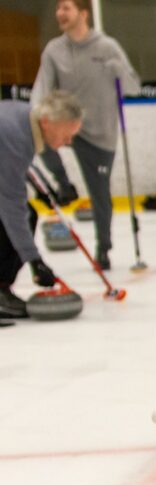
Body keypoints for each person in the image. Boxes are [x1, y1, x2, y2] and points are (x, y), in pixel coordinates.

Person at [30, 0, 140, 272]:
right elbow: (41, 88)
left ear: (83, 13)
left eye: (66, 8)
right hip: (65, 125)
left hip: (99, 132)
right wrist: (34, 113)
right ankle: (63, 183)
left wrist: (120, 71)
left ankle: (104, 246)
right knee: (38, 137)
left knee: (100, 193)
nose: (59, 13)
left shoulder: (107, 47)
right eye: (57, 8)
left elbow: (133, 87)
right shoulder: (54, 50)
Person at [1, 91, 82, 322]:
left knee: (27, 215)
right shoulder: (14, 134)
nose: (68, 142)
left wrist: (41, 187)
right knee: (17, 219)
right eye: (67, 134)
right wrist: (34, 261)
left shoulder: (24, 118)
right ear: (47, 122)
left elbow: (12, 163)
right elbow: (11, 206)